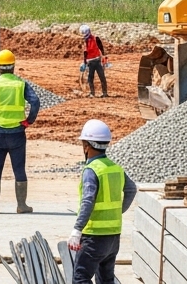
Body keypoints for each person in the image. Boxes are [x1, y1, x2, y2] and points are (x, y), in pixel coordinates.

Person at [68, 119, 137, 284]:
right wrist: (117, 211)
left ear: (87, 146)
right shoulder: (115, 167)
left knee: (81, 278)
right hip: (113, 237)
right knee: (106, 279)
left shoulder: (92, 170)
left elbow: (88, 200)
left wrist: (77, 230)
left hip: (94, 238)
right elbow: (131, 189)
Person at [0, 49, 40, 214]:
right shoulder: (21, 84)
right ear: (13, 66)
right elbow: (35, 102)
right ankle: (21, 205)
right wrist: (28, 121)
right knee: (19, 168)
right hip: (17, 131)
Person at [80, 24, 108, 97]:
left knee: (98, 77)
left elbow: (86, 52)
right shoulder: (93, 39)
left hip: (95, 61)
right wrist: (85, 62)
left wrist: (84, 62)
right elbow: (86, 52)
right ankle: (95, 93)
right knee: (93, 78)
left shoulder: (93, 39)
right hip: (93, 62)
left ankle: (100, 93)